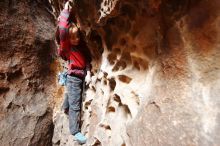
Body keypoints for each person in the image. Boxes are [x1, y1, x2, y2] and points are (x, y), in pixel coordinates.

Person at [56, 0, 92, 144]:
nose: (76, 39)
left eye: (77, 36)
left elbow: (87, 61)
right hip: (74, 78)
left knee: (70, 96)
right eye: (72, 38)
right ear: (68, 40)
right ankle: (75, 131)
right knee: (75, 104)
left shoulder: (80, 48)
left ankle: (65, 107)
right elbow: (63, 31)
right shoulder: (68, 48)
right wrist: (66, 11)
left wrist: (88, 72)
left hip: (79, 76)